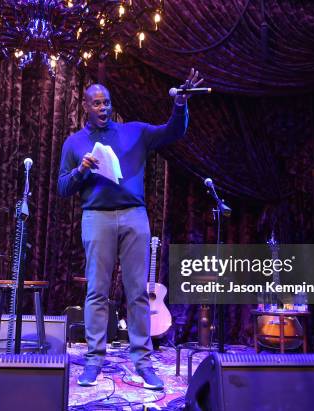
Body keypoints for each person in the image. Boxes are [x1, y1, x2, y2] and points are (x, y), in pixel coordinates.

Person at [57, 69, 203, 389]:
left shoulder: (134, 132)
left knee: (137, 291)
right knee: (97, 290)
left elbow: (172, 132)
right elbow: (63, 188)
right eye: (96, 103)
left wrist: (180, 105)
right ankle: (94, 360)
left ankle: (142, 360)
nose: (103, 108)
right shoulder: (74, 143)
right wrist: (81, 170)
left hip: (134, 215)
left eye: (106, 102)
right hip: (97, 218)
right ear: (85, 106)